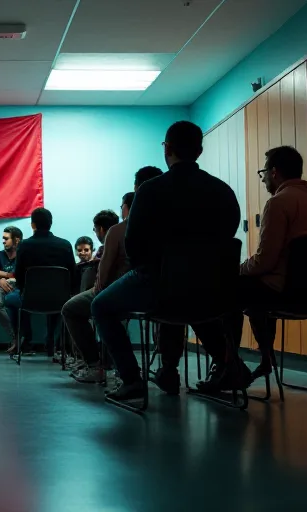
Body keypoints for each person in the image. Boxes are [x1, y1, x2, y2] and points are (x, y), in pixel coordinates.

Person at [91, 121, 243, 401]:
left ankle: (132, 380)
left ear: (167, 148)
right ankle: (227, 362)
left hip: (160, 283)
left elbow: (133, 245)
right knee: (191, 298)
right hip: (212, 289)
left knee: (100, 306)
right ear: (199, 151)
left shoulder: (150, 191)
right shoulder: (222, 191)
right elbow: (227, 237)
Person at [224, 145, 307, 384]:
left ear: (274, 172)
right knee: (259, 290)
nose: (263, 179)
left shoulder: (278, 203)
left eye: (263, 173)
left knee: (228, 290)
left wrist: (235, 270)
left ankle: (229, 368)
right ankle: (265, 357)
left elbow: (264, 262)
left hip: (286, 293)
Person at [64, 205, 131, 384]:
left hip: (114, 292)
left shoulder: (112, 237)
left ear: (100, 229)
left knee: (70, 309)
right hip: (140, 293)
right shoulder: (134, 233)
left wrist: (97, 291)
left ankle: (94, 365)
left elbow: (103, 276)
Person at [4, 208, 78, 355]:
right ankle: (51, 341)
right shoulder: (64, 245)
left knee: (10, 300)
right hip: (59, 298)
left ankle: (25, 340)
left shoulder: (24, 245)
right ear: (51, 224)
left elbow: (18, 275)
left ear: (33, 225)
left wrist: (22, 289)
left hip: (30, 299)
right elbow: (73, 274)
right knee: (57, 298)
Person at [0, 226, 23, 350]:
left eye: (6, 239)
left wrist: (10, 277)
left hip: (20, 289)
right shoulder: (0, 255)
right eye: (3, 238)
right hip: (4, 287)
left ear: (16, 240)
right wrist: (4, 276)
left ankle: (22, 338)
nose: (3, 241)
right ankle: (15, 336)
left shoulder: (24, 254)